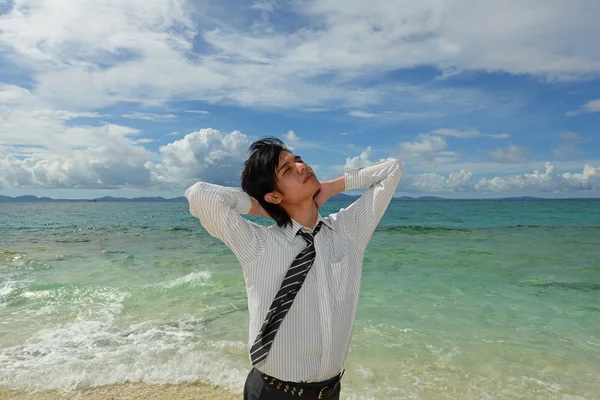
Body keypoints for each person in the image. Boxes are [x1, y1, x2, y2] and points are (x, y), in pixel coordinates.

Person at [185, 137, 402, 399]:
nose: (301, 166)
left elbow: (392, 169)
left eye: (297, 160)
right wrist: (262, 208)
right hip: (272, 391)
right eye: (287, 170)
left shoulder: (348, 231)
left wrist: (332, 187)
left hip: (329, 391)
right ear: (273, 194)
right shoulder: (259, 245)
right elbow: (199, 195)